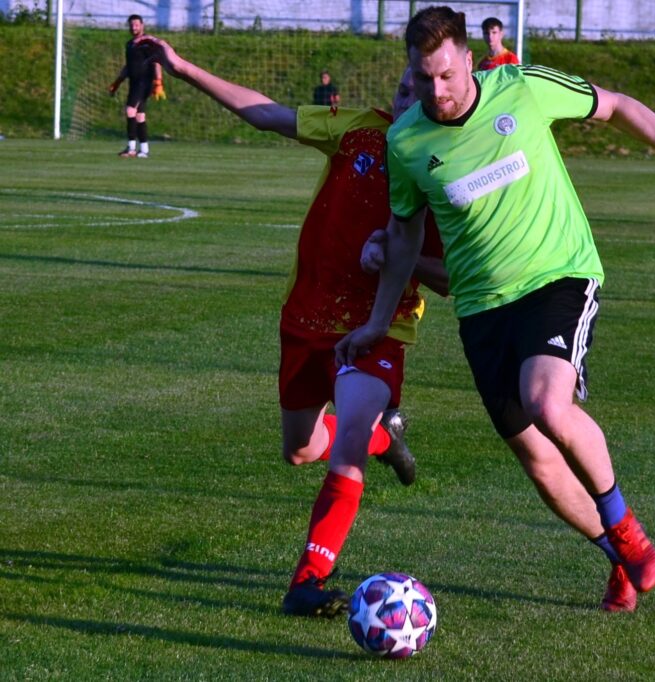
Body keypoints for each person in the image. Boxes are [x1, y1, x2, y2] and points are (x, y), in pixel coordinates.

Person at [337, 6, 655, 612]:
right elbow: (405, 237)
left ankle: (625, 525)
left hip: (558, 276)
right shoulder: (407, 140)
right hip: (481, 310)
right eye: (423, 78)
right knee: (538, 460)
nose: (436, 91)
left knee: (547, 402)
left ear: (469, 60)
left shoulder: (521, 87)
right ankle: (617, 555)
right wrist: (377, 321)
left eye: (446, 75)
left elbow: (617, 106)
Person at [139, 36, 449, 618]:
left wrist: (401, 259)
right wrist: (182, 69)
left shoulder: (445, 164)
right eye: (404, 87)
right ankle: (386, 438)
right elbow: (268, 114)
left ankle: (307, 582)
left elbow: (454, 277)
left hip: (380, 328)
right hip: (306, 318)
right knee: (301, 449)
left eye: (421, 90)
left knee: (347, 442)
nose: (409, 97)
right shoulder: (357, 128)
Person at [108, 14, 164, 159]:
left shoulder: (147, 43)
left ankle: (131, 148)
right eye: (132, 25)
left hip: (144, 82)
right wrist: (117, 82)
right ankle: (144, 150)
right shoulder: (129, 44)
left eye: (137, 25)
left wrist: (158, 82)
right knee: (139, 116)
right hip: (134, 83)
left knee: (130, 111)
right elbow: (128, 66)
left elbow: (156, 62)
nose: (134, 28)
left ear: (142, 26)